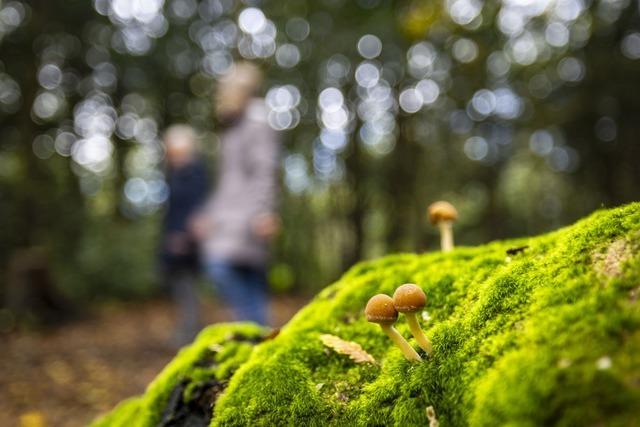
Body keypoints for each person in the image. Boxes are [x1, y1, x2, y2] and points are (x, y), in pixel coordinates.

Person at [192, 62, 280, 325]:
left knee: (218, 264)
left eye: (225, 89)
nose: (221, 95)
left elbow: (265, 170)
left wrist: (265, 211)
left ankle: (255, 332)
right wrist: (209, 214)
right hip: (229, 215)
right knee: (248, 279)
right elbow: (228, 181)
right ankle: (257, 335)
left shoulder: (257, 121)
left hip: (247, 216)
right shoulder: (234, 127)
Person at [160, 124, 209, 345]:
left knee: (187, 288)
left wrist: (184, 236)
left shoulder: (194, 174)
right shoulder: (177, 174)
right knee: (182, 289)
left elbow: (196, 209)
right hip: (176, 240)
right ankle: (188, 331)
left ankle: (190, 334)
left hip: (187, 243)